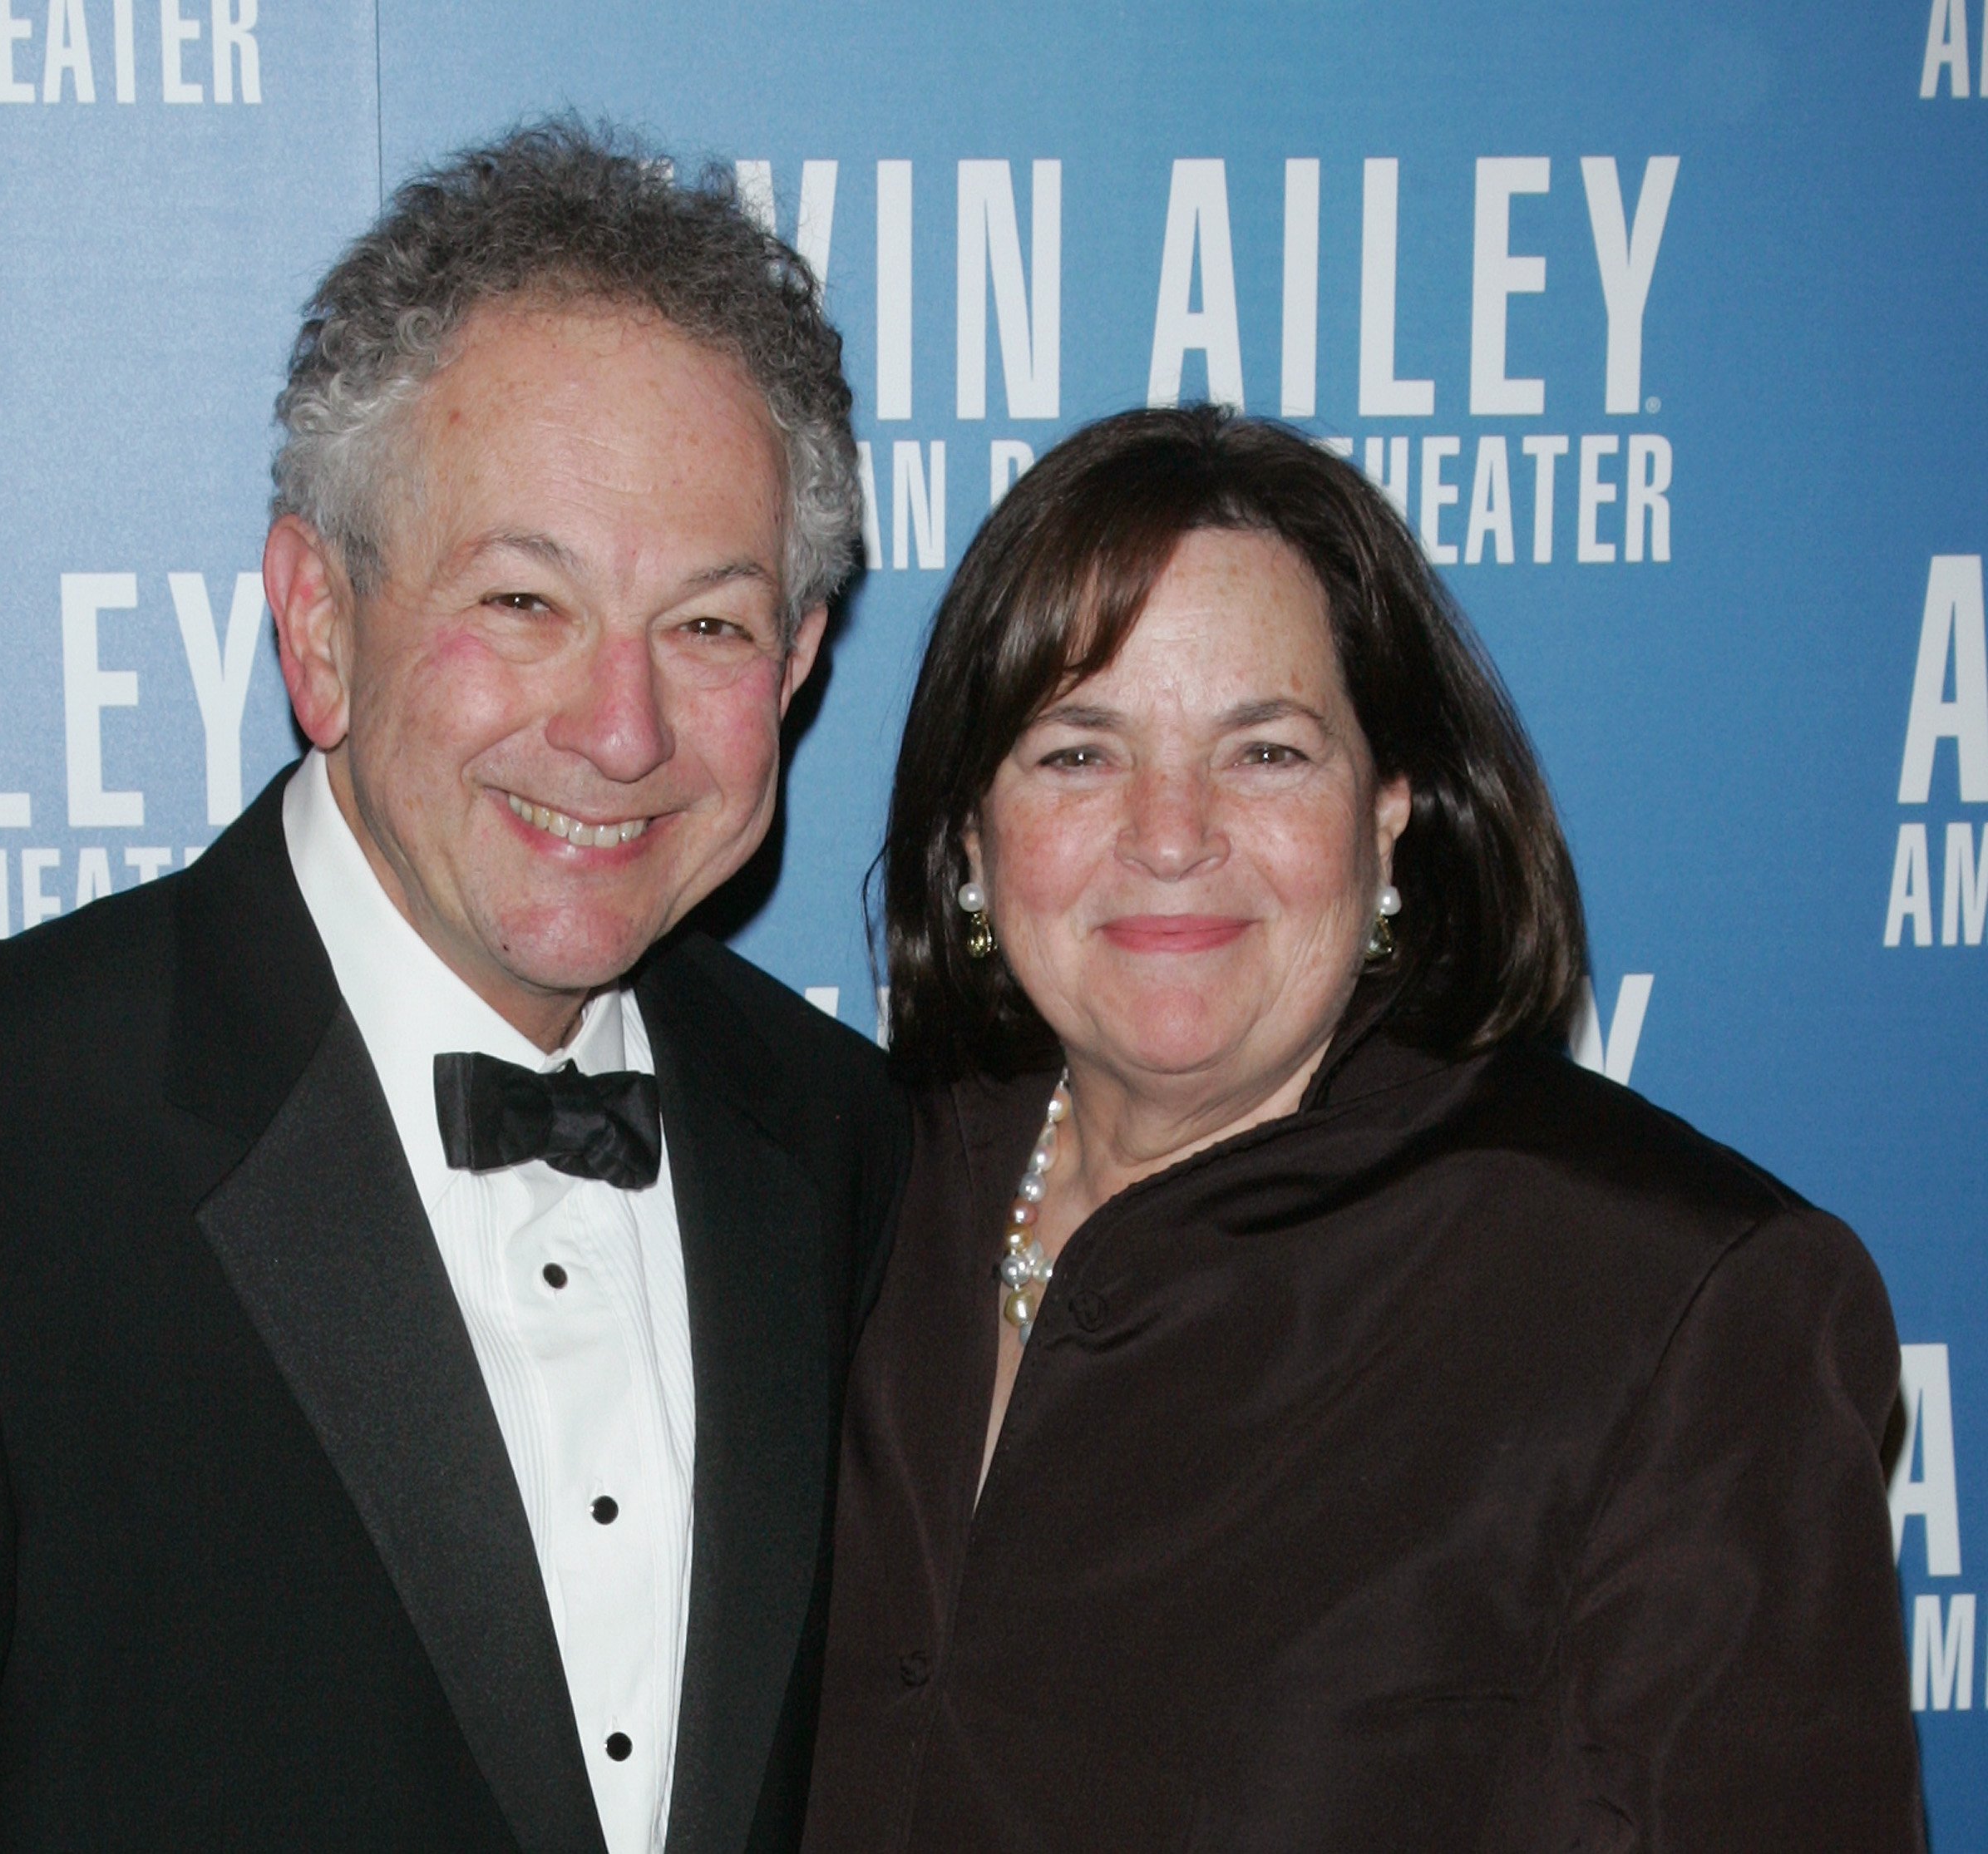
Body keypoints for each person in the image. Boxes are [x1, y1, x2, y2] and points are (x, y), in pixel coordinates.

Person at [0, 122, 905, 1854]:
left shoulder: (849, 1146)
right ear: (319, 620)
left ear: (804, 658)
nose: (621, 730)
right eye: (524, 599)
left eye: (707, 625)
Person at [802, 406, 1921, 1852]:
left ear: (1394, 808)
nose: (1169, 831)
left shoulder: (1673, 1302)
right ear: (970, 829)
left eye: (1265, 753)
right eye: (1078, 753)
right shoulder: (840, 1188)